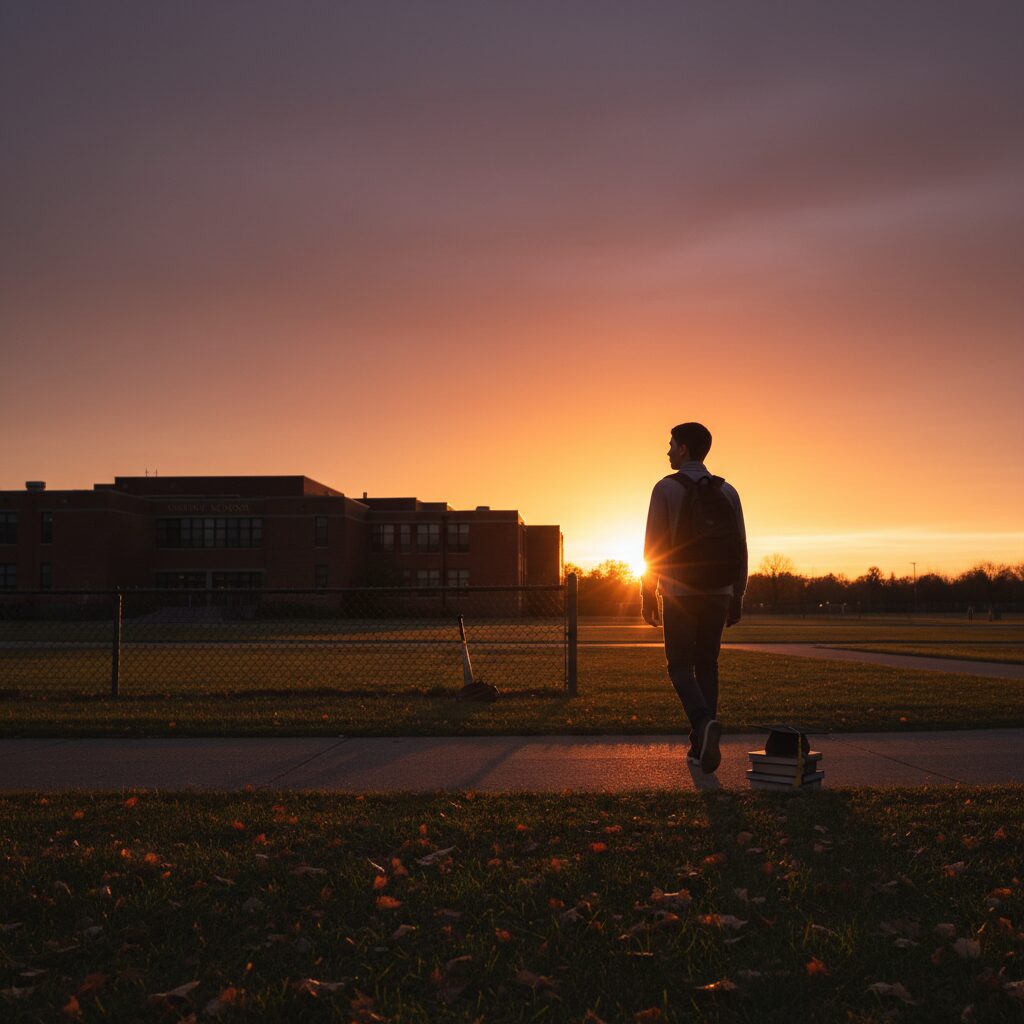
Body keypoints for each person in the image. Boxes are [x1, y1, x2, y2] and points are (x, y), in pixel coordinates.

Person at [640, 422, 747, 773]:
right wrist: (737, 594)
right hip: (720, 591)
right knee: (708, 665)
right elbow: (741, 547)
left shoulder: (665, 488)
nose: (667, 451)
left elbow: (652, 546)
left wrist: (646, 592)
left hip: (680, 591)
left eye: (671, 444)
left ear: (684, 448)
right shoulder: (728, 491)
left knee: (679, 666)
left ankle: (702, 725)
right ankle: (700, 747)